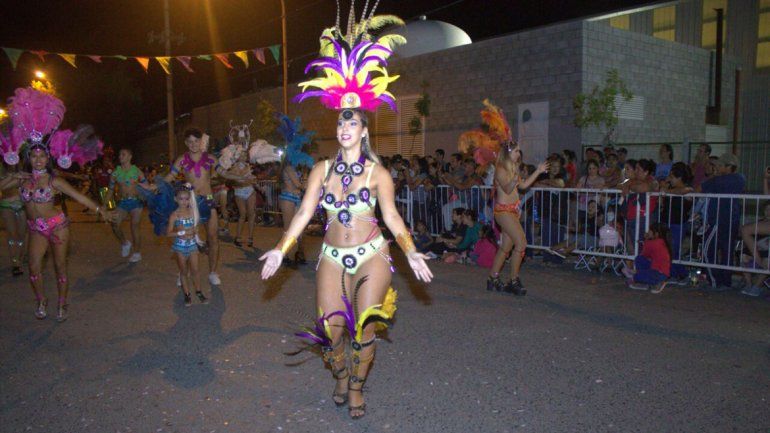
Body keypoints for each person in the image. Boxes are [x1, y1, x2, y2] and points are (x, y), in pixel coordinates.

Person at [261, 9, 431, 419]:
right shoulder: (320, 169)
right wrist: (281, 250)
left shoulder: (379, 173)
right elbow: (303, 213)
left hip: (373, 255)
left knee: (365, 327)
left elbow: (391, 217)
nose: (344, 127)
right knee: (331, 331)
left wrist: (410, 252)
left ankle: (356, 388)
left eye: (352, 122)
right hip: (332, 257)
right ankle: (340, 372)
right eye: (340, 121)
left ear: (364, 130)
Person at [0, 87, 110, 321]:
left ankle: (62, 302)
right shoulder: (21, 178)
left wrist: (101, 209)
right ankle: (42, 300)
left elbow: (79, 197)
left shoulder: (54, 180)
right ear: (28, 158)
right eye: (34, 155)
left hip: (57, 225)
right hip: (35, 228)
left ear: (47, 158)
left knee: (60, 266)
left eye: (42, 155)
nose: (38, 159)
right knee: (33, 268)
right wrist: (12, 178)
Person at [162, 128, 253, 285]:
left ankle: (212, 272)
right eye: (189, 141)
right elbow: (169, 177)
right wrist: (155, 187)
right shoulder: (181, 160)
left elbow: (223, 172)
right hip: (190, 203)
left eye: (196, 141)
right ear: (186, 143)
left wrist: (240, 176)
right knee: (185, 239)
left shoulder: (210, 158)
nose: (193, 144)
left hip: (209, 200)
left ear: (201, 142)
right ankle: (183, 273)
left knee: (213, 238)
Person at [488, 143, 548, 294]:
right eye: (516, 151)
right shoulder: (501, 169)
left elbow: (523, 186)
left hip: (512, 212)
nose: (519, 153)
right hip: (503, 212)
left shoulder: (513, 168)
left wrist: (538, 172)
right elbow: (508, 189)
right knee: (521, 243)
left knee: (506, 248)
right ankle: (513, 280)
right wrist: (514, 178)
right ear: (508, 153)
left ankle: (492, 278)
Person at [698, 153, 746, 290]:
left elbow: (700, 189)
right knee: (727, 252)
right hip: (732, 219)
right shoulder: (741, 178)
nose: (717, 168)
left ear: (729, 167)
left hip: (718, 219)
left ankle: (714, 280)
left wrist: (714, 176)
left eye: (719, 166)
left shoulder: (719, 180)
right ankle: (725, 281)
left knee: (708, 250)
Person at [166, 184, 208, 306]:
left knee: (195, 270)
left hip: (192, 245)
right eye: (181, 199)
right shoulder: (174, 215)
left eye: (186, 199)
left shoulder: (192, 212)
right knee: (183, 271)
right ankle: (187, 294)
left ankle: (199, 292)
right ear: (176, 199)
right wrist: (181, 232)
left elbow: (196, 227)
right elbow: (168, 233)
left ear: (190, 199)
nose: (184, 201)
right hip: (180, 247)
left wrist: (195, 231)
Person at [107, 148, 147, 263]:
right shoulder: (115, 172)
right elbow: (110, 190)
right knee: (114, 224)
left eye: (123, 154)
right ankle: (125, 243)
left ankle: (137, 253)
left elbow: (146, 186)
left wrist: (152, 193)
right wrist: (104, 206)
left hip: (136, 202)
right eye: (119, 154)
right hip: (123, 202)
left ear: (130, 156)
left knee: (134, 226)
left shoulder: (137, 171)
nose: (120, 156)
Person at [623, 223, 672, 293]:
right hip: (658, 270)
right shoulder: (661, 242)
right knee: (640, 259)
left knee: (637, 276)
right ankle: (642, 278)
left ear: (656, 234)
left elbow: (645, 253)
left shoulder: (655, 242)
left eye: (650, 231)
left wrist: (646, 239)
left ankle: (656, 282)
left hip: (658, 273)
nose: (648, 232)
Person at [0, 163, 27, 276]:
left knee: (21, 235)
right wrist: (13, 177)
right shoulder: (1, 167)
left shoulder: (23, 165)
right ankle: (15, 263)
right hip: (6, 205)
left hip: (22, 206)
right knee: (12, 234)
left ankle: (19, 258)